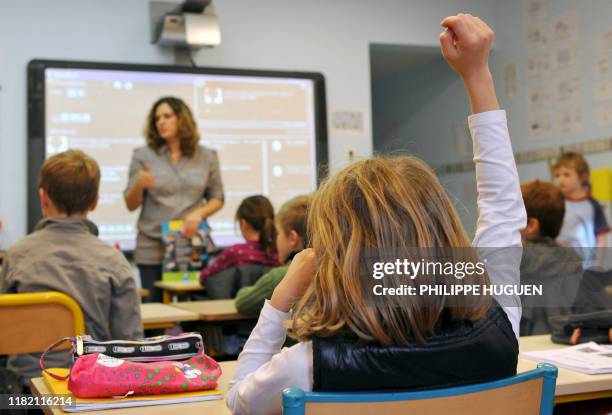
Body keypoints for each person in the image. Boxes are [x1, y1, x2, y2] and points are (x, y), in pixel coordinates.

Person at [226, 14, 526, 414]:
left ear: (338, 255)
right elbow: (503, 211)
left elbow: (239, 400)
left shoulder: (307, 366)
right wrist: (478, 75)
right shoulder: (500, 327)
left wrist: (280, 302)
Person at [0, 150, 143, 384]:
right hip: (87, 394)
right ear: (95, 201)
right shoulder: (114, 261)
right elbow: (130, 344)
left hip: (24, 393)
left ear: (43, 197)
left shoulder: (16, 255)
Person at [124, 97, 224, 302]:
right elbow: (130, 204)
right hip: (152, 247)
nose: (161, 122)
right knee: (156, 315)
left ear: (182, 119)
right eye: (157, 118)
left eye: (167, 116)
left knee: (197, 310)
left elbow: (217, 198)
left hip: (191, 244)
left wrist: (199, 214)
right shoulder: (143, 155)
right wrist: (138, 184)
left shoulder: (207, 156)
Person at [519, 180, 582, 335]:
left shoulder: (517, 258)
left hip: (523, 349)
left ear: (531, 225)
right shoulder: (573, 259)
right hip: (565, 344)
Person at [234, 195, 311, 315]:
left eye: (277, 233)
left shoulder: (282, 275)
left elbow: (242, 303)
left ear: (292, 238)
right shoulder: (336, 271)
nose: (274, 239)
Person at [199, 195, 279, 283]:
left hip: (239, 297)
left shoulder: (234, 252)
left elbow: (204, 276)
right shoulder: (278, 252)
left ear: (243, 224)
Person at [552, 152, 609, 268]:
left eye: (566, 175)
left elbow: (602, 237)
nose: (560, 180)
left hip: (586, 266)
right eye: (557, 175)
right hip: (560, 264)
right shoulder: (555, 204)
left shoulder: (593, 205)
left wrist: (598, 264)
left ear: (582, 176)